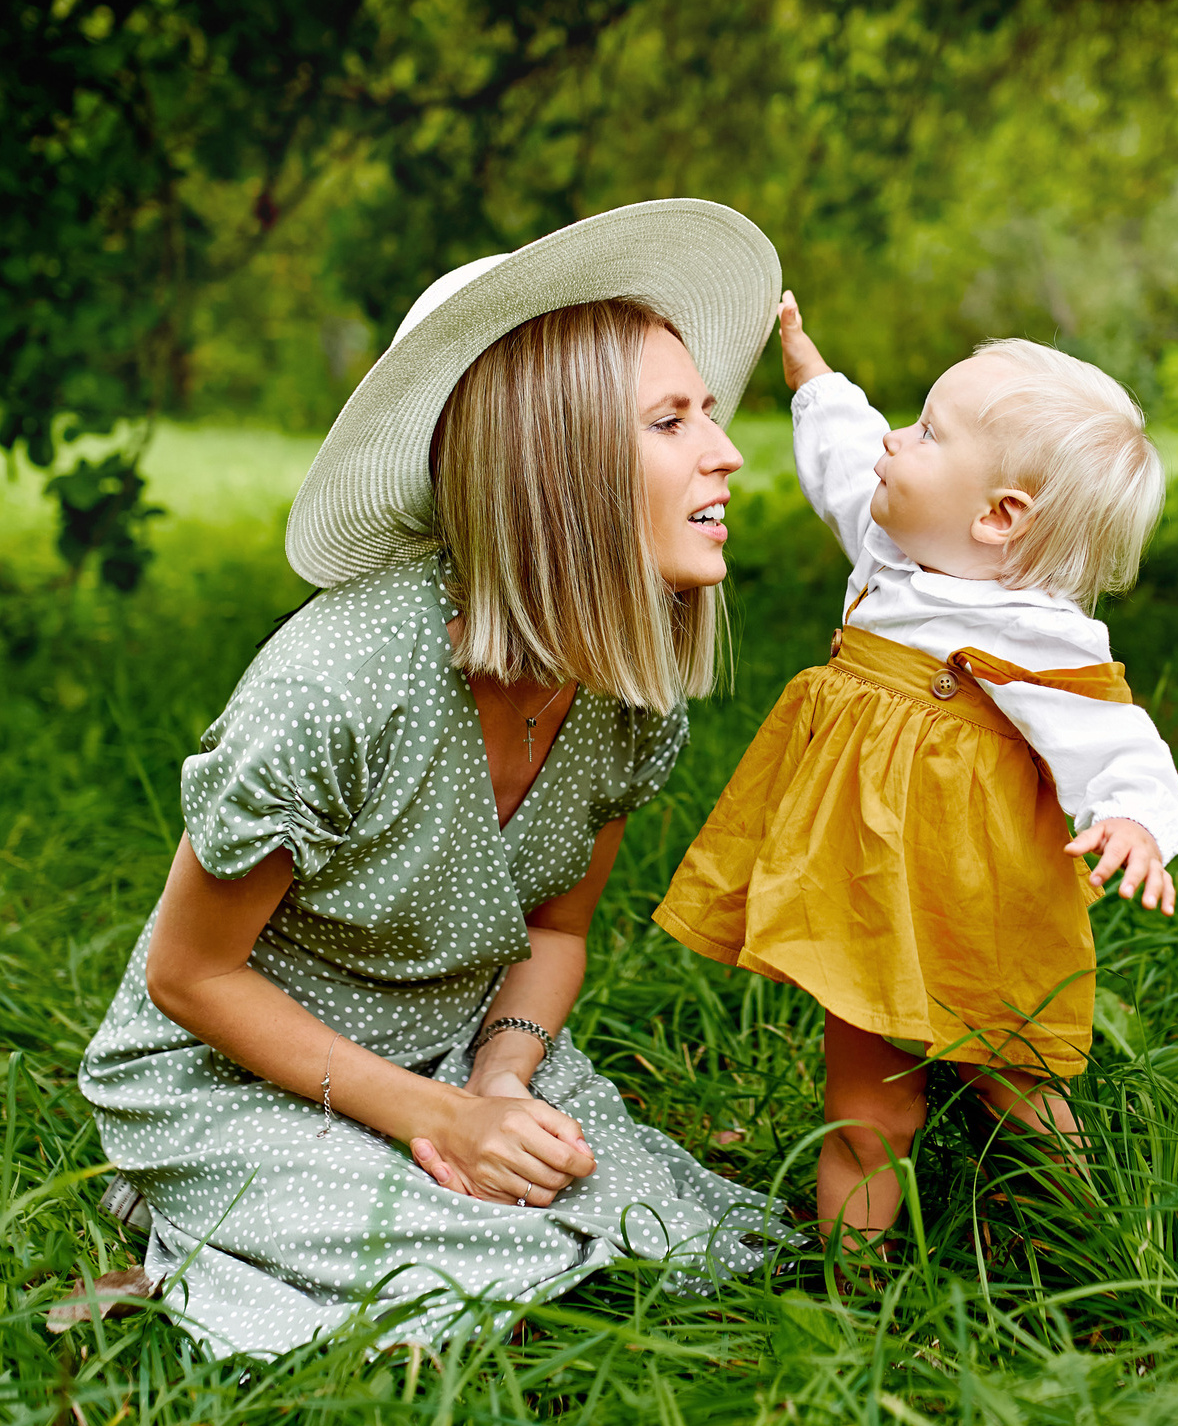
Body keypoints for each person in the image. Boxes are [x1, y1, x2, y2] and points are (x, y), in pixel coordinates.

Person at [78, 199, 792, 1357]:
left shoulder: (620, 685)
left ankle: (328, 1192)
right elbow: (190, 973)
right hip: (238, 1063)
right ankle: (198, 1187)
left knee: (671, 1232)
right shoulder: (342, 683)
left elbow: (556, 931)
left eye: (707, 411)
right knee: (492, 1251)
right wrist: (435, 1120)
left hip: (456, 1042)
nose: (726, 450)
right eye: (671, 420)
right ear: (555, 470)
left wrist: (501, 1083)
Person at [654, 294, 1178, 1248]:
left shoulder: (1037, 628)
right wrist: (814, 381)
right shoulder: (889, 536)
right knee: (867, 1109)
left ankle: (1105, 1245)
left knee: (1013, 1074)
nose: (897, 441)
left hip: (972, 895)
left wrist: (1133, 820)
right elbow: (845, 454)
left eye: (928, 431)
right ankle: (845, 1288)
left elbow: (1114, 736)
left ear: (999, 515)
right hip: (865, 890)